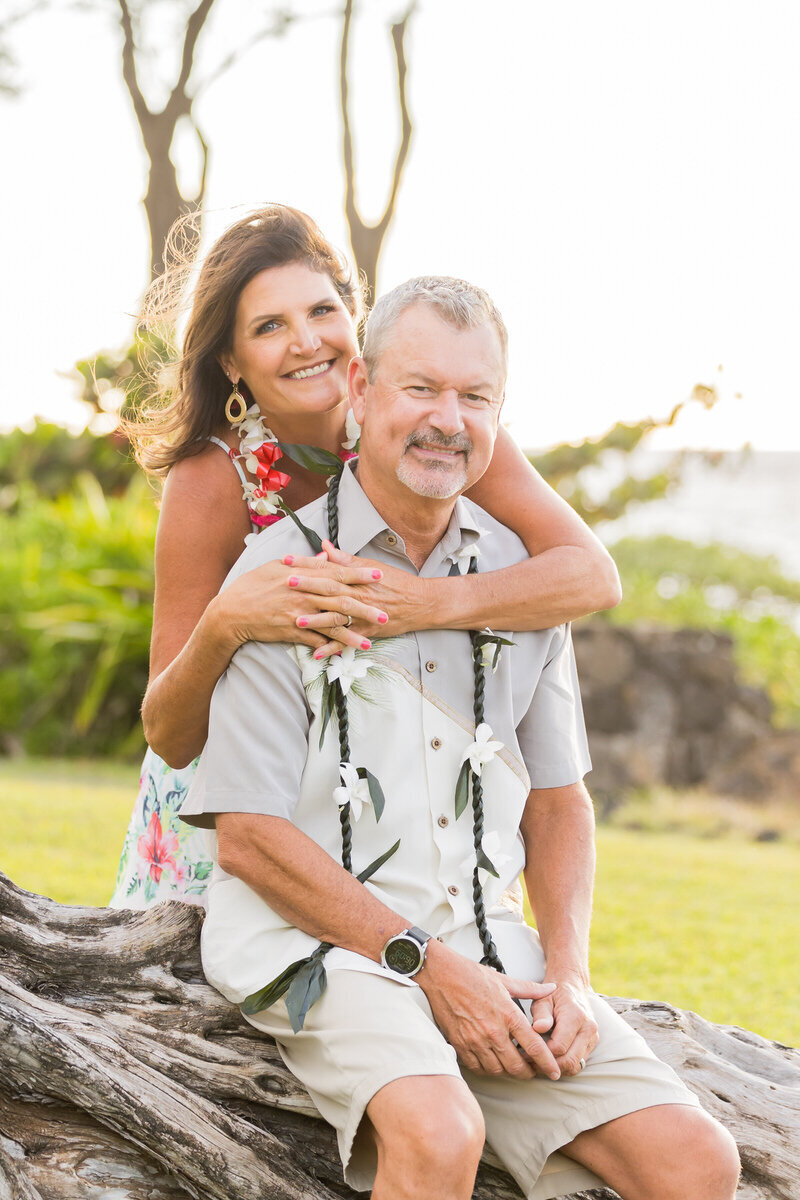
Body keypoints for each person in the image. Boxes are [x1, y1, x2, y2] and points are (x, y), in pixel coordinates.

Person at [179, 277, 740, 1200]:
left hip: (485, 942)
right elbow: (246, 837)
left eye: (476, 398)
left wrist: (567, 974)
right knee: (440, 1134)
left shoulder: (524, 582)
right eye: (422, 389)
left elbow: (559, 800)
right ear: (359, 389)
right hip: (320, 942)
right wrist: (428, 969)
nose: (449, 420)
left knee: (696, 1161)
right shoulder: (285, 574)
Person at [110, 204, 621, 909]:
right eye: (268, 326)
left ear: (355, 316)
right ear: (230, 360)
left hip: (384, 811)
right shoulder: (212, 479)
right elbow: (168, 732)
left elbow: (591, 574)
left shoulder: (438, 429)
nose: (307, 341)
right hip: (231, 818)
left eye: (322, 310)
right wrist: (228, 623)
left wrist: (424, 605)